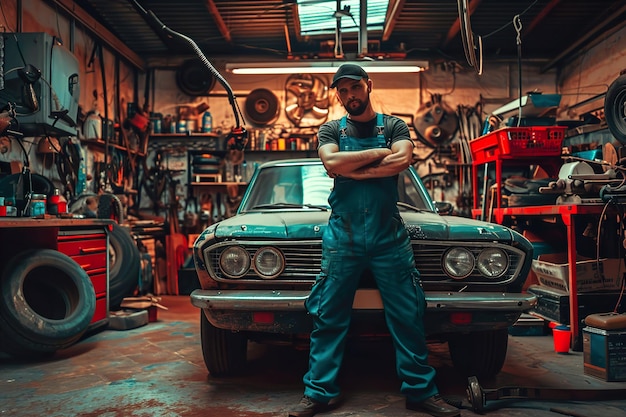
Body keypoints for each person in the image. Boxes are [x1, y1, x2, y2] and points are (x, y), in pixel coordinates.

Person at [288, 64, 460, 417]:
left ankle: (420, 391)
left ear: (368, 85)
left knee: (407, 315)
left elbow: (403, 159)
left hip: (389, 235)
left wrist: (353, 168)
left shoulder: (395, 124)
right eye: (343, 90)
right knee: (328, 316)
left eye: (355, 87)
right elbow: (331, 162)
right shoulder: (330, 129)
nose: (350, 95)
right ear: (337, 94)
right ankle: (320, 392)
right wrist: (379, 156)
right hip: (343, 236)